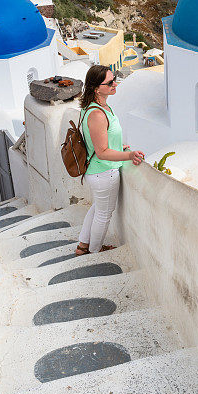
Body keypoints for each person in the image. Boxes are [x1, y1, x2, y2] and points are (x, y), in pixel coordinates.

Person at [75, 64, 144, 255]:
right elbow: (102, 151)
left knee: (98, 208)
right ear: (96, 88)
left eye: (114, 79)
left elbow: (101, 139)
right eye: (110, 82)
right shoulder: (97, 113)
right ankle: (95, 252)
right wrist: (129, 155)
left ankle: (83, 246)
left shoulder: (98, 106)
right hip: (103, 171)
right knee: (104, 215)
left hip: (98, 171)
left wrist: (117, 145)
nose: (115, 83)